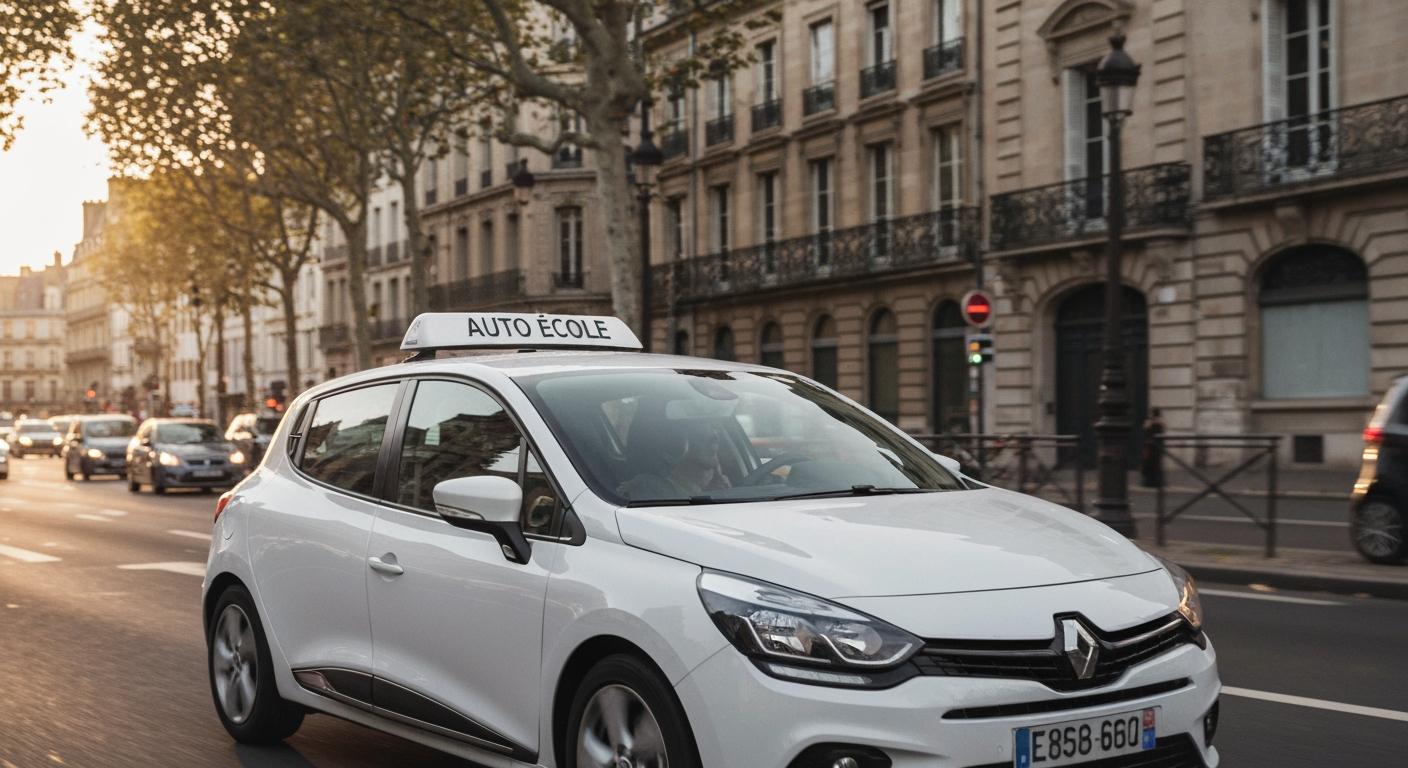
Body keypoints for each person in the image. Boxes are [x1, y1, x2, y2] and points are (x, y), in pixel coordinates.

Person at [618, 419, 733, 500]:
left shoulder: (720, 486)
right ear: (675, 445)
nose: (715, 435)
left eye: (715, 428)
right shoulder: (645, 487)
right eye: (701, 432)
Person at [1141, 408, 1165, 488]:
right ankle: (1157, 482)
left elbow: (1145, 428)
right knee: (1156, 464)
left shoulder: (1150, 421)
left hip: (1150, 445)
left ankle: (1149, 482)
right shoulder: (1160, 422)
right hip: (1156, 445)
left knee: (1149, 464)